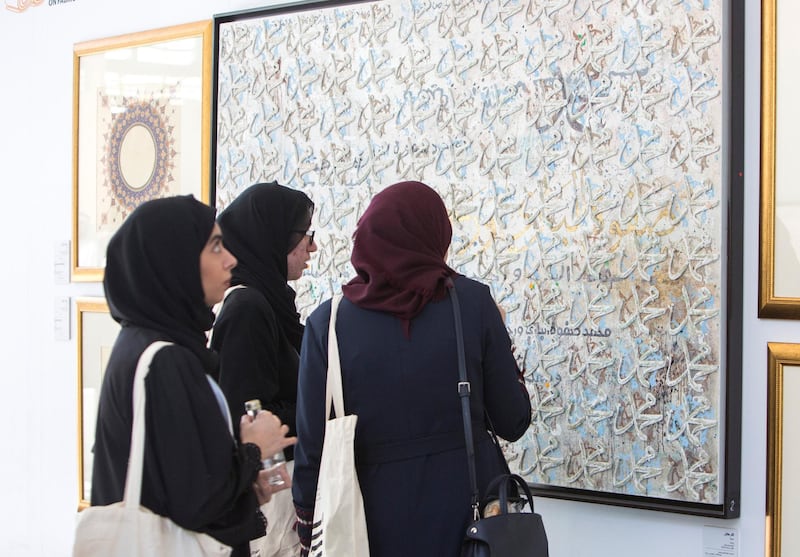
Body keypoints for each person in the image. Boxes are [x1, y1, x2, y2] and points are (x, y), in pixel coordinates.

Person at [291, 181, 532, 557]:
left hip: (367, 525)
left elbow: (312, 446)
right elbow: (513, 421)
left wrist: (309, 531)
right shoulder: (472, 304)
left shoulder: (328, 323)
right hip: (470, 524)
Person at [91, 195, 296, 557]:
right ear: (175, 261)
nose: (230, 259)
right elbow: (197, 501)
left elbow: (178, 477)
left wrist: (245, 480)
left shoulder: (144, 344)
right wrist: (253, 449)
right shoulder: (167, 358)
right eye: (215, 247)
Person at [210, 182, 317, 557]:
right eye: (304, 236)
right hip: (269, 500)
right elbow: (249, 418)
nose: (312, 248)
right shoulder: (249, 310)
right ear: (272, 239)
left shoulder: (271, 306)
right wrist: (316, 412)